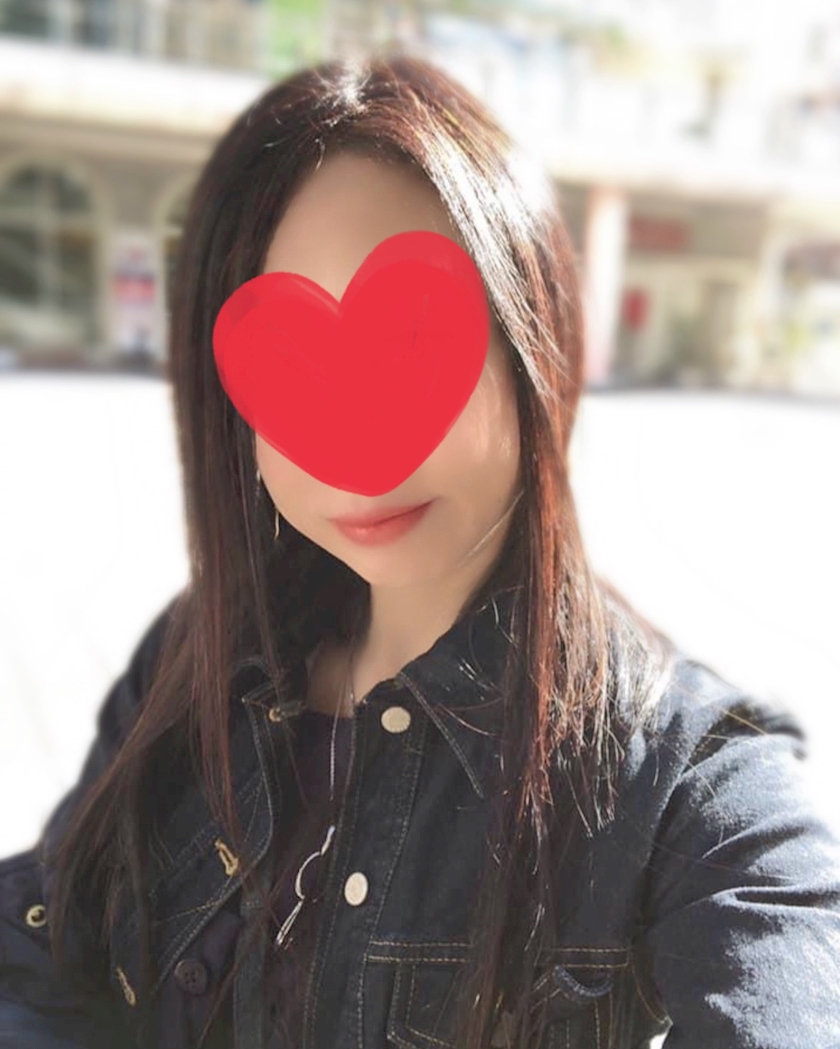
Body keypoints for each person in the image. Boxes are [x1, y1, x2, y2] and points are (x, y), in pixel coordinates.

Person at [1, 54, 839, 1049]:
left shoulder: (681, 782)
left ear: (534, 346)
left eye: (413, 340)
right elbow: (41, 942)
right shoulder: (199, 654)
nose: (359, 460)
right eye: (291, 369)